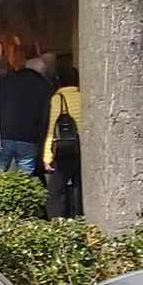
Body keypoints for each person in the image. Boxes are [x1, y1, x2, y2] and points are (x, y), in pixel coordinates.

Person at [0, 53, 54, 176]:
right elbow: (44, 116)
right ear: (42, 70)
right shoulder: (43, 86)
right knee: (25, 179)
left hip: (5, 134)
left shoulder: (7, 81)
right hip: (28, 137)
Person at [43, 65, 84, 218]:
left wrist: (47, 157)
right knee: (80, 190)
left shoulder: (58, 99)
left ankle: (59, 226)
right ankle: (82, 221)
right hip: (83, 150)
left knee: (52, 194)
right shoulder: (84, 96)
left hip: (65, 151)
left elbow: (52, 129)